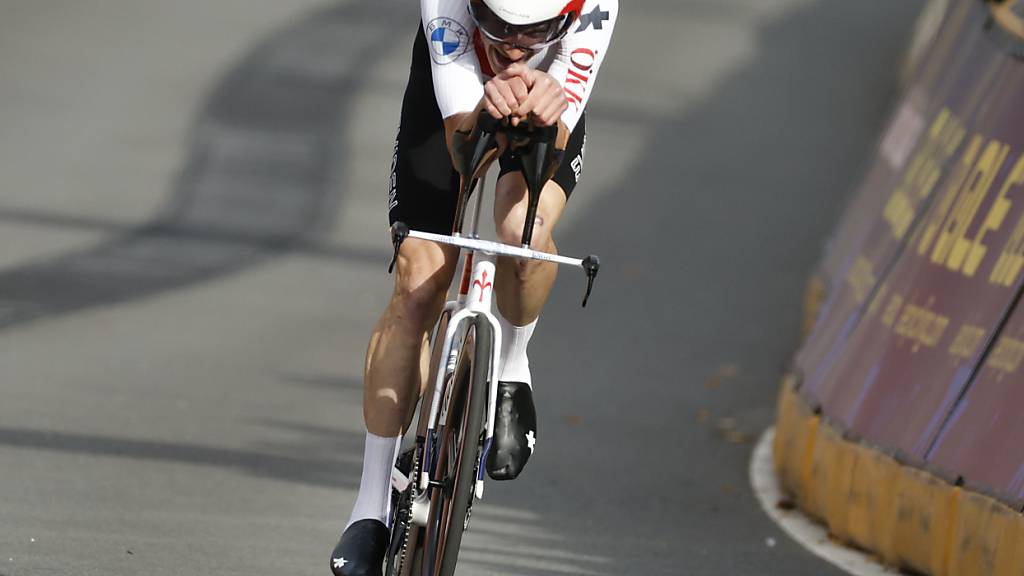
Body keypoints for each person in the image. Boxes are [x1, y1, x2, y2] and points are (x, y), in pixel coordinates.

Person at [331, 0, 616, 573]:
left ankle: (512, 364)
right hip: (456, 92)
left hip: (551, 86)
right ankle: (368, 508)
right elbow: (461, 142)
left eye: (530, 31)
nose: (512, 45)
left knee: (524, 234)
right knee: (417, 280)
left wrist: (541, 109)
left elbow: (553, 143)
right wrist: (484, 108)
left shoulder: (592, 11)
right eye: (499, 23)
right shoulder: (452, 9)